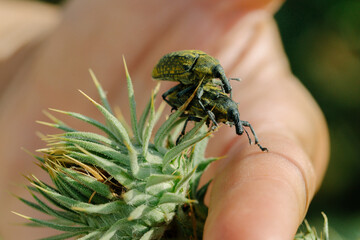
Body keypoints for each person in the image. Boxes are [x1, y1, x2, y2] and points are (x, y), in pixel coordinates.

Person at [0, 0, 329, 239]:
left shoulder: (212, 76)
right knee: (181, 99)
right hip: (170, 72)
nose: (223, 83)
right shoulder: (194, 72)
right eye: (218, 78)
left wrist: (22, 53)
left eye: (222, 80)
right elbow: (178, 89)